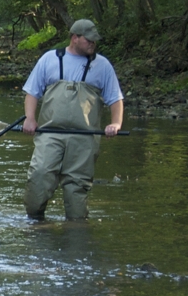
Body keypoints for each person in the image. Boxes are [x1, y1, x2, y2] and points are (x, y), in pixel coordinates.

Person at [21, 19, 124, 220]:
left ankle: (76, 236)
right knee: (39, 177)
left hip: (84, 139)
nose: (93, 44)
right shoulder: (49, 59)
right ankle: (35, 226)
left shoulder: (102, 65)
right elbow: (32, 93)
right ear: (75, 38)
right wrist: (30, 119)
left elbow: (115, 98)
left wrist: (115, 123)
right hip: (50, 134)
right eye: (89, 40)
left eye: (95, 41)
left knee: (76, 191)